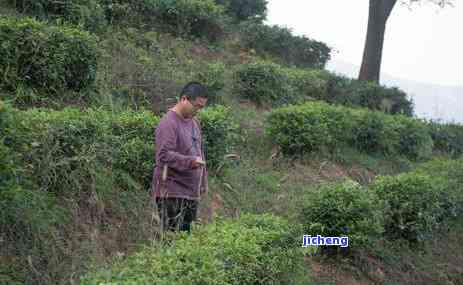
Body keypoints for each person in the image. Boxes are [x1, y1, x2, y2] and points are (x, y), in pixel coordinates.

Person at [151, 82, 209, 233]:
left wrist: (203, 182)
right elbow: (163, 156)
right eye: (197, 106)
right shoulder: (168, 123)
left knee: (186, 244)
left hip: (190, 194)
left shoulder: (194, 123)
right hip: (171, 194)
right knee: (173, 244)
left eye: (201, 107)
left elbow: (199, 153)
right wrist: (190, 162)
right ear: (184, 99)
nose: (198, 110)